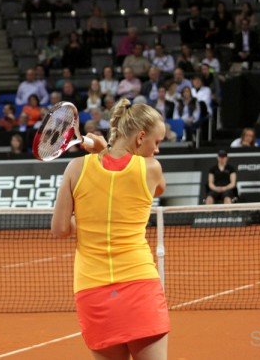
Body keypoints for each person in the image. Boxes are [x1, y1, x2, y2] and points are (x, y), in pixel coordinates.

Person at [51, 99, 169, 360]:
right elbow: (160, 188)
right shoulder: (151, 169)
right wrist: (105, 152)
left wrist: (102, 154)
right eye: (156, 142)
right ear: (140, 138)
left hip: (93, 291)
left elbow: (59, 228)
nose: (157, 150)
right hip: (139, 286)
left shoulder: (75, 168)